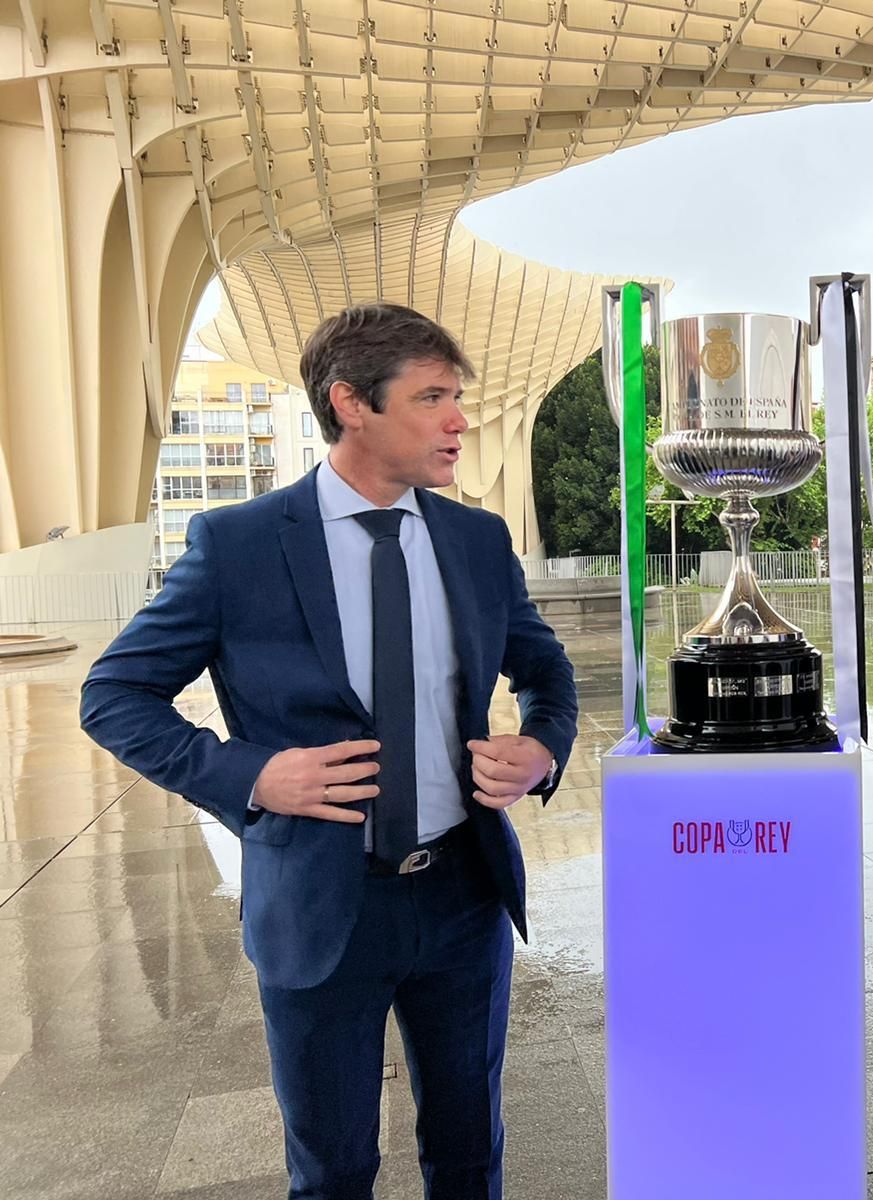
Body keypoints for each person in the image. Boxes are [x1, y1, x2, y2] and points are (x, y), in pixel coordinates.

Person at [80, 303, 581, 1199]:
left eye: (457, 397)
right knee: (333, 1169)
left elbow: (546, 669)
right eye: (432, 397)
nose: (459, 419)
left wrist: (541, 747)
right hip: (318, 907)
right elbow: (113, 695)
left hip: (464, 897)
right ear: (351, 403)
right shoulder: (237, 546)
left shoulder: (475, 540)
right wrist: (253, 776)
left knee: (471, 1152)